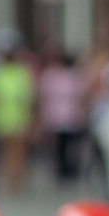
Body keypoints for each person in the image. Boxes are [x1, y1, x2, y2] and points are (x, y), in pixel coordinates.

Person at [0, 29, 35, 193]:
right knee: (16, 153)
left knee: (9, 153)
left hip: (4, 118)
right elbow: (30, 99)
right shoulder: (22, 73)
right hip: (17, 118)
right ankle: (15, 180)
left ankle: (12, 180)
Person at [37, 43, 89, 184]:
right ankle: (64, 172)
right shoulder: (56, 75)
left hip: (65, 116)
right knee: (63, 147)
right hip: (61, 116)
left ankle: (67, 171)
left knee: (66, 146)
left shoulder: (70, 76)